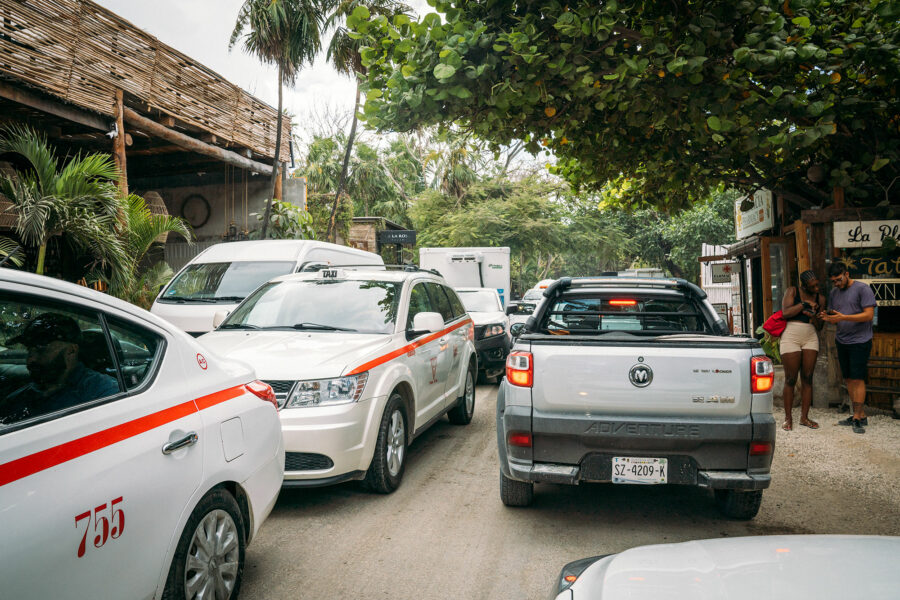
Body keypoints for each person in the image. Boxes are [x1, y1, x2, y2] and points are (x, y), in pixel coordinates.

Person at [0, 313, 119, 425]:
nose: (30, 360)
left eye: (41, 349)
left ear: (71, 351)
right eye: (29, 350)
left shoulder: (102, 392)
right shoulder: (20, 397)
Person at [819, 262, 877, 434]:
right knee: (849, 379)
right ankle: (859, 414)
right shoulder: (834, 292)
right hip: (842, 340)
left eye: (838, 279)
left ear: (846, 273)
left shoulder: (862, 289)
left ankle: (857, 417)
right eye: (833, 281)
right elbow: (835, 313)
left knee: (858, 379)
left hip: (860, 340)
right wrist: (827, 316)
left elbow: (868, 315)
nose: (836, 284)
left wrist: (844, 317)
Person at [779, 270, 826, 431]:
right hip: (791, 336)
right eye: (813, 286)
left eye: (817, 285)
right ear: (804, 286)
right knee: (791, 379)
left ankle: (804, 418)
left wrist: (814, 317)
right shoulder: (793, 291)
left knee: (807, 377)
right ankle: (787, 418)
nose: (817, 288)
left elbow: (820, 327)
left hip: (810, 336)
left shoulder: (821, 299)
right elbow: (785, 313)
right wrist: (804, 305)